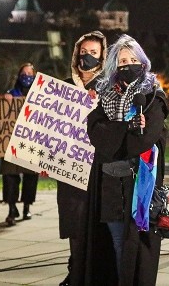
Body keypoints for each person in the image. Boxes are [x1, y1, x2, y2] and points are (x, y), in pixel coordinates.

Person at [82, 34, 168, 285]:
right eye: (121, 60)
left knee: (138, 246)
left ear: (142, 62)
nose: (127, 64)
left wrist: (115, 135)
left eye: (132, 59)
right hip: (110, 183)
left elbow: (146, 138)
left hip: (140, 186)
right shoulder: (105, 94)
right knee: (117, 243)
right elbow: (95, 130)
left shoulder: (153, 96)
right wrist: (124, 130)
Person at [57, 31, 108, 286]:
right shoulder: (64, 85)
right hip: (69, 168)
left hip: (97, 168)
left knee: (96, 224)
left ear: (102, 57)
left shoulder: (108, 86)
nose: (87, 57)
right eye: (84, 52)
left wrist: (99, 103)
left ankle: (91, 273)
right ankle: (74, 270)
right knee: (74, 224)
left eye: (94, 53)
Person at [0, 63, 39, 226]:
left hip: (31, 142)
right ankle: (11, 208)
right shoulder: (11, 93)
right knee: (10, 176)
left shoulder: (39, 95)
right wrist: (5, 100)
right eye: (24, 73)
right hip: (11, 142)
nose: (27, 76)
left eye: (30, 73)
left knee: (30, 177)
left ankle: (26, 206)